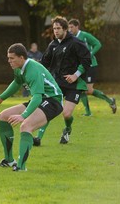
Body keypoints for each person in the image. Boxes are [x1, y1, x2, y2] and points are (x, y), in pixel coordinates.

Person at [0, 43, 63, 171]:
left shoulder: (33, 70)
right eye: (8, 58)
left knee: (26, 126)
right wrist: (1, 98)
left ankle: (21, 167)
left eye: (12, 58)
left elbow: (38, 97)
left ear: (22, 58)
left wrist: (23, 116)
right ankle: (9, 160)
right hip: (39, 99)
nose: (9, 61)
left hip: (53, 101)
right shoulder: (18, 68)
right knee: (3, 116)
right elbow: (17, 82)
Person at [35, 16, 92, 145]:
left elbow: (87, 60)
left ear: (65, 29)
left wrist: (75, 75)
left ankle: (67, 129)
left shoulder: (75, 43)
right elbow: (44, 63)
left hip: (74, 84)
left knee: (66, 114)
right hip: (57, 84)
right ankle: (38, 138)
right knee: (49, 109)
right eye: (54, 28)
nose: (55, 31)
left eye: (58, 28)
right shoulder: (53, 44)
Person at [68, 19, 116, 116]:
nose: (70, 29)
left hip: (90, 65)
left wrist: (90, 54)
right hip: (80, 67)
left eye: (72, 27)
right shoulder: (71, 38)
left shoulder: (85, 35)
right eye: (69, 27)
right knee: (81, 89)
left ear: (77, 26)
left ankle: (110, 101)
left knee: (88, 90)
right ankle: (88, 112)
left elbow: (98, 44)